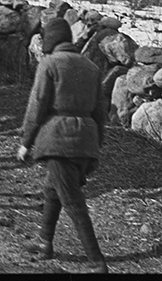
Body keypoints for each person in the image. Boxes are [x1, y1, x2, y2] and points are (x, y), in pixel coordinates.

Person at [17, 17, 108, 274]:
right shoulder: (91, 67)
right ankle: (45, 241)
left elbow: (37, 106)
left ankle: (96, 261)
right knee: (52, 191)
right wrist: (95, 147)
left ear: (50, 40)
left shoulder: (49, 64)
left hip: (60, 141)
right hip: (86, 142)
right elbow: (101, 113)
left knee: (72, 201)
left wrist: (26, 142)